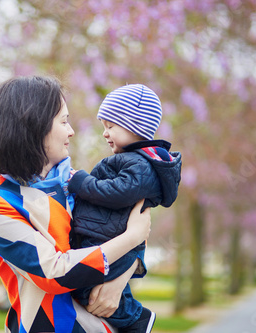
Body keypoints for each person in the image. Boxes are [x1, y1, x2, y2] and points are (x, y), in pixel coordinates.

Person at [0, 76, 151, 333]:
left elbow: (136, 233)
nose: (71, 131)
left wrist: (120, 280)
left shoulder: (79, 182)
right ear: (34, 126)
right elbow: (55, 273)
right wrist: (133, 236)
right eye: (64, 121)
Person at [69, 84, 182, 332]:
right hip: (106, 237)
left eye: (111, 126)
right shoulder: (134, 160)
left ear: (135, 126)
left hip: (108, 241)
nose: (104, 134)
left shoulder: (140, 164)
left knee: (90, 291)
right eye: (103, 128)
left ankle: (137, 321)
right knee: (92, 291)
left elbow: (116, 193)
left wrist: (81, 181)